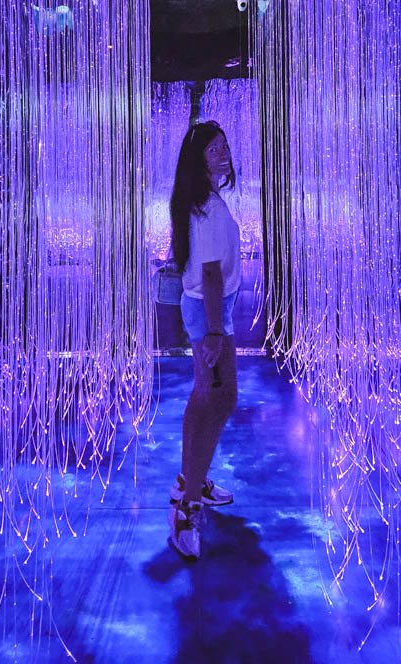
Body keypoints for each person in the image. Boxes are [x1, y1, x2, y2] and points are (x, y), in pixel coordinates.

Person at [167, 120, 241, 559]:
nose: (223, 152)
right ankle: (188, 503)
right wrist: (215, 330)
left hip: (210, 309)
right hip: (210, 310)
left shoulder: (201, 202)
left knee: (210, 396)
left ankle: (191, 479)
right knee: (218, 396)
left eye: (224, 145)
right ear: (199, 159)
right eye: (213, 149)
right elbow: (211, 272)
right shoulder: (208, 209)